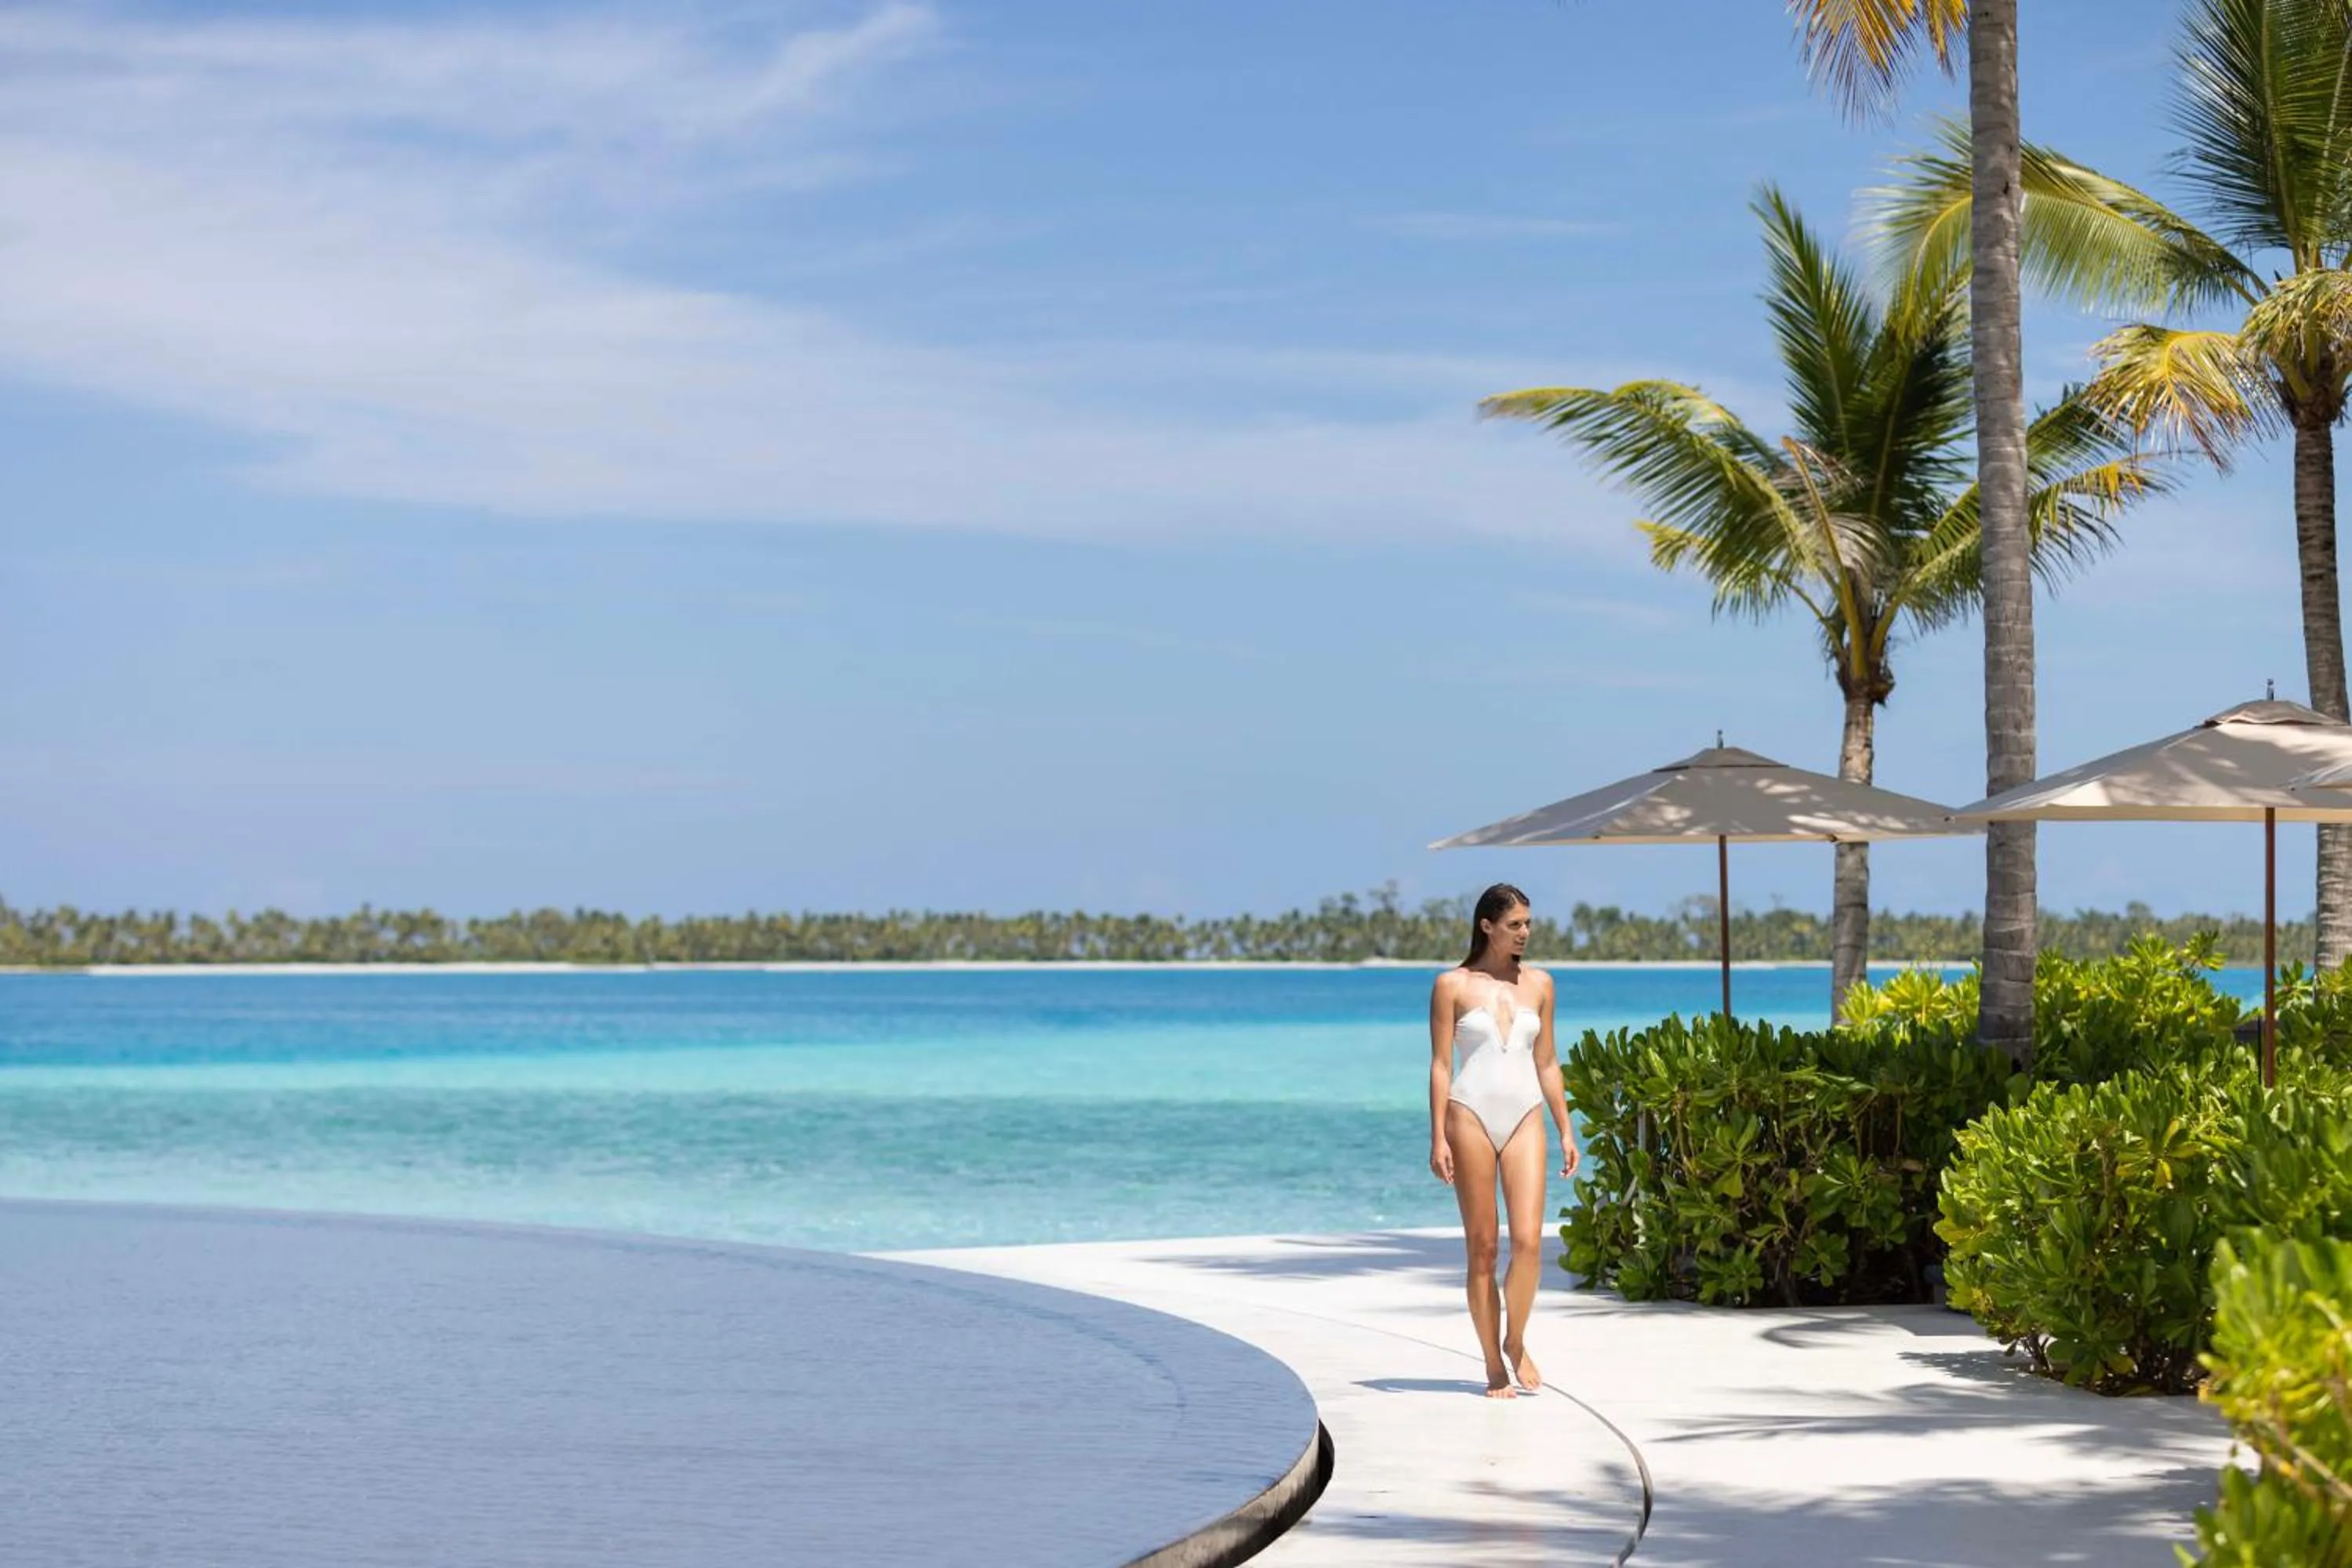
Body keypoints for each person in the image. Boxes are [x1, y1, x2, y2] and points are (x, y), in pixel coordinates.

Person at [1428, 883, 1578, 1398]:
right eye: (1515, 925)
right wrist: (1437, 1138)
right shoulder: (1452, 985)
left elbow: (1549, 1062)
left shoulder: (1540, 985)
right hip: (1467, 1116)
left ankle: (1515, 1339)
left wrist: (1565, 1127)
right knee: (1484, 1250)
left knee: (1531, 1244)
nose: (1525, 933)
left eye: (1528, 924)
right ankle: (1494, 1364)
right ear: (1486, 926)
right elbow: (1442, 1066)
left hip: (1525, 1115)